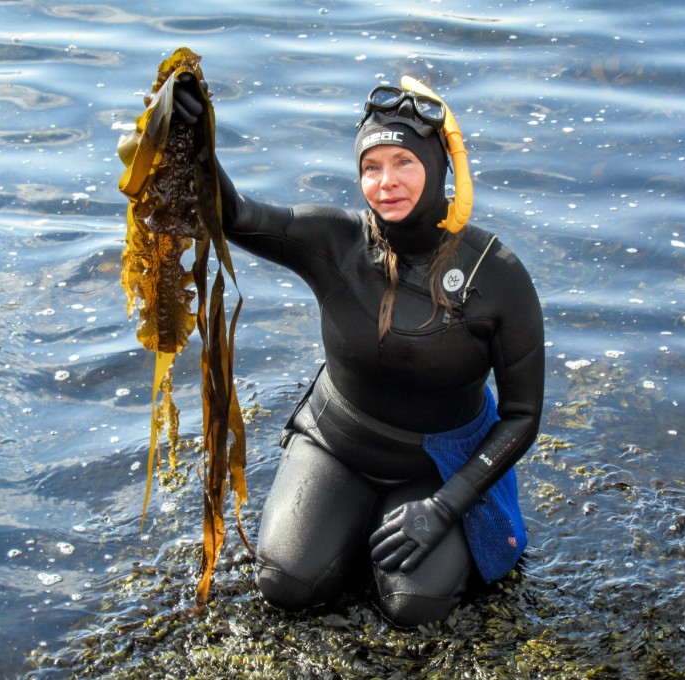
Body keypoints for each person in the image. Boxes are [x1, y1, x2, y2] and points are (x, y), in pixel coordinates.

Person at [172, 76, 545, 628]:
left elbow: (521, 417)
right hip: (336, 443)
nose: (386, 182)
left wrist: (444, 508)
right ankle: (343, 524)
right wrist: (193, 137)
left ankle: (386, 530)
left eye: (404, 163)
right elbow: (233, 215)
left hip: (436, 466)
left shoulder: (498, 276)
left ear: (440, 168)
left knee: (414, 608)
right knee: (285, 584)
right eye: (372, 167)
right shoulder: (336, 241)